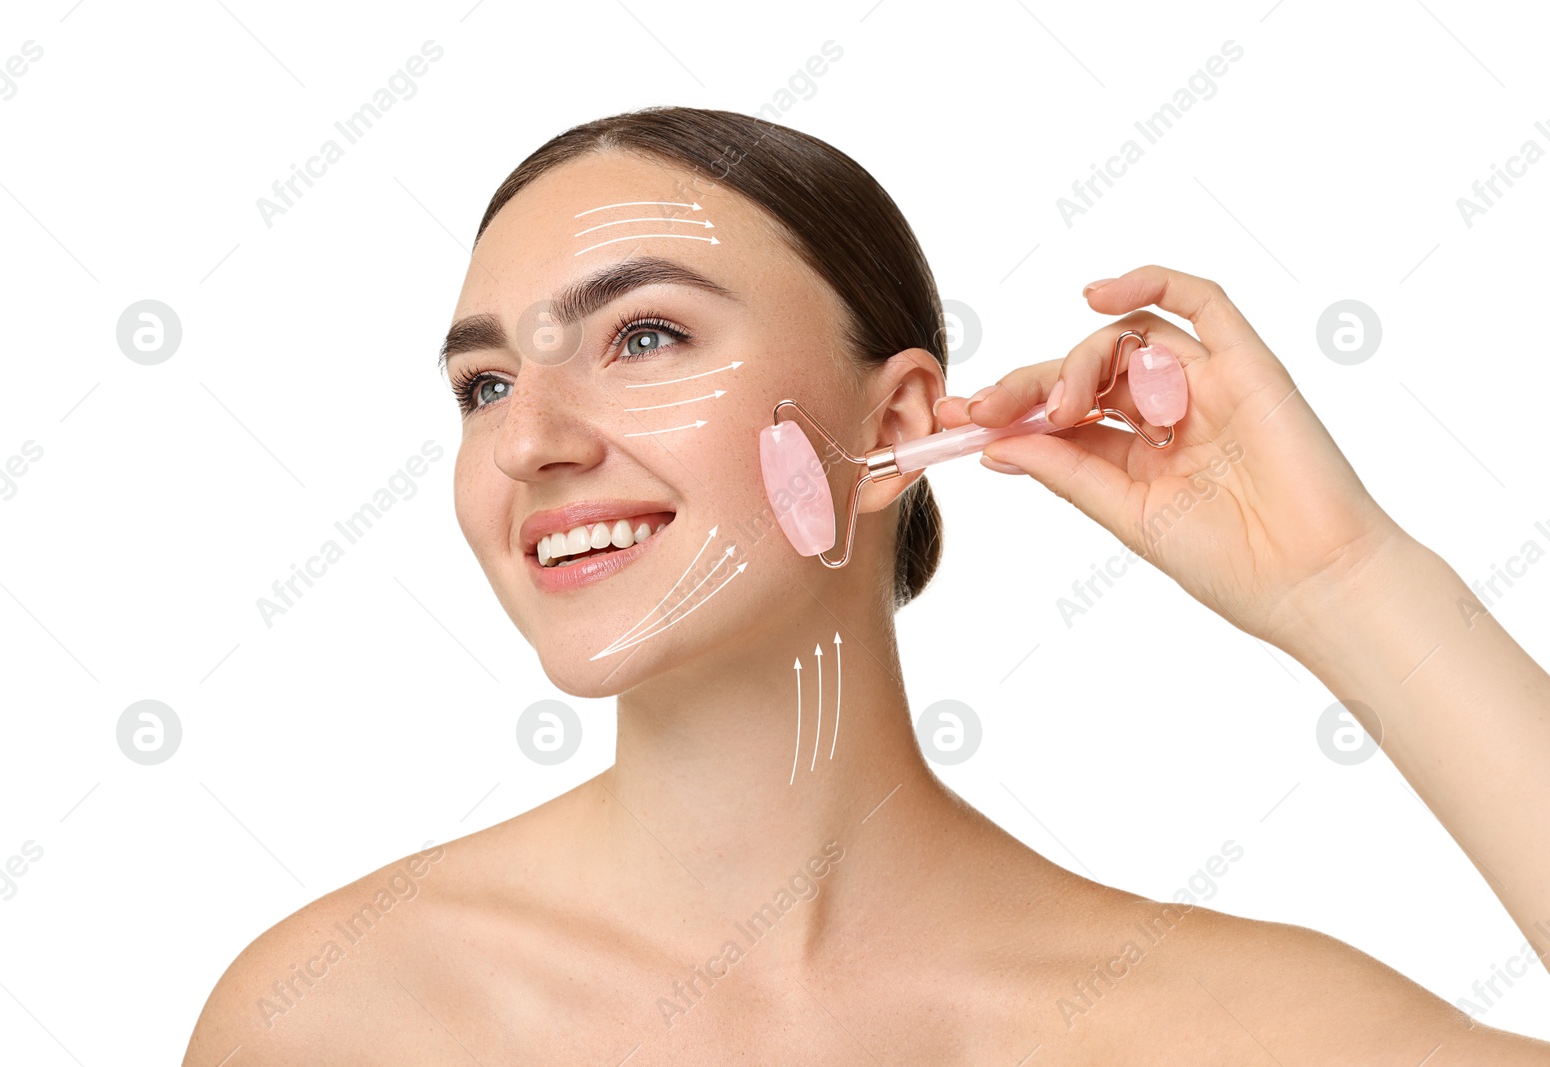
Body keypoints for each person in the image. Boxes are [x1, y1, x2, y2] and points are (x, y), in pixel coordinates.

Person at [183, 106, 1550, 1064]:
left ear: (894, 431)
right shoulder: (337, 1017)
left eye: (645, 335)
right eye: (486, 384)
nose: (528, 441)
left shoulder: (1230, 1032)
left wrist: (1351, 587)